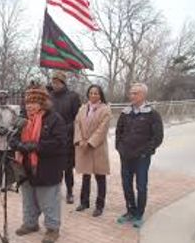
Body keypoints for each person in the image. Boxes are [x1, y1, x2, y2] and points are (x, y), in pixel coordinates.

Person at [12, 85, 67, 243]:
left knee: (48, 200)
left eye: (34, 102)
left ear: (43, 103)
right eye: (28, 102)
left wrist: (36, 146)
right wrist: (19, 145)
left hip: (47, 167)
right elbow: (13, 138)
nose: (29, 105)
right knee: (28, 199)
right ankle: (30, 223)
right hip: (26, 167)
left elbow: (59, 142)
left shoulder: (55, 119)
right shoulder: (23, 119)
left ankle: (52, 228)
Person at [115, 83, 163, 228]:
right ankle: (130, 210)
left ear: (143, 95)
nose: (132, 96)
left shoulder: (152, 114)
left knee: (141, 186)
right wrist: (120, 148)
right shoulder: (125, 113)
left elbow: (158, 137)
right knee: (126, 184)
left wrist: (145, 152)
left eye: (135, 93)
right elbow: (118, 132)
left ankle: (139, 214)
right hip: (126, 156)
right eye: (131, 93)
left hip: (142, 158)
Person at [74, 85, 112, 217]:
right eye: (91, 93)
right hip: (83, 146)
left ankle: (99, 205)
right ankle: (84, 202)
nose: (93, 95)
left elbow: (102, 129)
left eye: (96, 93)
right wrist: (80, 140)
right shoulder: (82, 109)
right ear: (88, 94)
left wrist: (90, 142)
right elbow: (77, 124)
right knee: (86, 176)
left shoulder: (105, 110)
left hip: (97, 148)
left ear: (100, 95)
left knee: (100, 177)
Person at [49, 70, 81, 204]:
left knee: (67, 167)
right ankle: (55, 191)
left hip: (68, 136)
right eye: (53, 82)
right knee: (54, 167)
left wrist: (67, 129)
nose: (55, 85)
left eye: (57, 82)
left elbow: (77, 118)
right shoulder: (49, 97)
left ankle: (69, 192)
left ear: (63, 83)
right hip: (52, 137)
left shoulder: (73, 97)